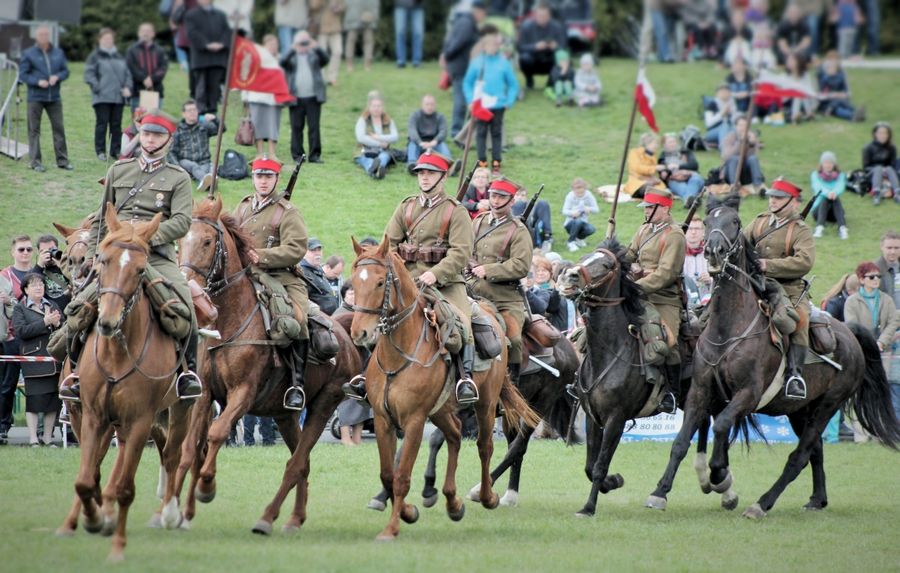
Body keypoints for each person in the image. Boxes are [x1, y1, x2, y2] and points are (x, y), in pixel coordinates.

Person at [65, 111, 203, 403]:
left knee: (186, 306)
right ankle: (75, 373)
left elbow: (181, 222)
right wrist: (93, 255)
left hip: (156, 256)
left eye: (157, 135)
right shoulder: (119, 170)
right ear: (140, 135)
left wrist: (142, 238)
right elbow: (104, 216)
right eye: (146, 134)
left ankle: (187, 375)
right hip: (114, 256)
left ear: (168, 139)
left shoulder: (178, 178)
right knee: (78, 307)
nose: (150, 139)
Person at [344, 151, 477, 404]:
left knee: (460, 324)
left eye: (430, 173)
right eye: (421, 173)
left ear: (443, 176)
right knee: (380, 316)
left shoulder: (455, 211)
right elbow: (388, 245)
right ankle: (365, 375)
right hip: (406, 282)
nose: (424, 178)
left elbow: (461, 253)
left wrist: (434, 274)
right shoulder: (406, 207)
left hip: (446, 283)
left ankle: (464, 379)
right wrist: (400, 272)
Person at [233, 158, 311, 410]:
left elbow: (297, 248)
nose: (263, 181)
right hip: (244, 275)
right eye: (259, 176)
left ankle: (296, 385)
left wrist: (263, 256)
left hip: (281, 276)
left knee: (298, 320)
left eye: (268, 177)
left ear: (276, 179)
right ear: (253, 178)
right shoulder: (243, 208)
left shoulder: (288, 212)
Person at [743, 178, 816, 400]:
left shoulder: (800, 230)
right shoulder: (759, 222)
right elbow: (741, 245)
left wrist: (769, 265)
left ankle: (795, 376)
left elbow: (805, 261)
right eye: (772, 197)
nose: (773, 201)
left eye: (778, 198)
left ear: (792, 202)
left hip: (789, 288)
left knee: (799, 320)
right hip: (755, 284)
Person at [625, 188, 686, 414]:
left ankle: (672, 392)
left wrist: (636, 286)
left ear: (666, 209)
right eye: (646, 207)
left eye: (651, 207)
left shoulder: (674, 235)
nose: (647, 211)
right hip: (635, 292)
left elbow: (666, 273)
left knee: (669, 342)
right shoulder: (644, 229)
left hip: (663, 298)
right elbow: (629, 254)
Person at [468, 176, 532, 386]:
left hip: (504, 297)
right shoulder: (478, 221)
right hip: (470, 290)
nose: (495, 201)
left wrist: (488, 270)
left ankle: (510, 386)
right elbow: (465, 247)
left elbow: (521, 265)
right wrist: (467, 261)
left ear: (511, 201)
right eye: (493, 195)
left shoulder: (519, 230)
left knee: (513, 340)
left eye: (501, 197)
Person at [843, 261, 899, 438]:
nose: (876, 280)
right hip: (861, 352)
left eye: (878, 277)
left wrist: (881, 342)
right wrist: (869, 344)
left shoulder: (886, 299)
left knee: (884, 390)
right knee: (859, 391)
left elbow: (893, 322)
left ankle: (884, 431)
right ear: (861, 279)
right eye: (871, 277)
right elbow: (852, 325)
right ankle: (860, 435)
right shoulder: (852, 301)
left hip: (885, 351)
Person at [11, 273, 62, 447]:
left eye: (40, 284)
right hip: (33, 360)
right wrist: (45, 322)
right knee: (34, 399)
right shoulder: (20, 308)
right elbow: (21, 331)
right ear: (25, 289)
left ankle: (48, 438)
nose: (39, 287)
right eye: (34, 285)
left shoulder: (52, 304)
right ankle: (33, 438)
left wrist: (57, 324)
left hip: (53, 359)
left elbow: (61, 328)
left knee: (52, 400)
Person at [463, 24, 519, 175]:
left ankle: (496, 163)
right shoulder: (477, 62)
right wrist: (470, 100)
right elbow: (467, 82)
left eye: (496, 44)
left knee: (496, 133)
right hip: (481, 104)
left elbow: (513, 84)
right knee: (480, 133)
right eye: (492, 44)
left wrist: (509, 100)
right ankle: (482, 162)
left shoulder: (503, 63)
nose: (495, 47)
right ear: (485, 45)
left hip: (499, 105)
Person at [19, 25, 72, 173]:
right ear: (36, 37)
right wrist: (37, 81)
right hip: (35, 97)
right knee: (34, 130)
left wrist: (58, 77)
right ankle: (35, 162)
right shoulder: (28, 54)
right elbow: (23, 74)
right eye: (40, 35)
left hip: (54, 97)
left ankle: (62, 161)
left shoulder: (58, 53)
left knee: (59, 129)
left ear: (49, 36)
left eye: (46, 34)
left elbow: (65, 71)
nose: (43, 37)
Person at [0, 236, 34, 442]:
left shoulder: (38, 275)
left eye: (29, 249)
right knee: (7, 385)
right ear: (13, 252)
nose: (25, 253)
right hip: (11, 337)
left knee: (37, 385)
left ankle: (40, 430)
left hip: (33, 337)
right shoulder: (4, 275)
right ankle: (3, 425)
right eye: (21, 249)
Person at [84, 28, 133, 162]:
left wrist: (128, 87)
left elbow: (128, 74)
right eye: (105, 38)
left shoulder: (119, 56)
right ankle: (100, 151)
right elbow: (89, 74)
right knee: (102, 123)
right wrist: (98, 86)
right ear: (100, 40)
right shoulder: (94, 56)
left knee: (116, 125)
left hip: (118, 97)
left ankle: (115, 150)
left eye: (110, 38)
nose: (108, 41)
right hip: (102, 97)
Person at [281, 31, 329, 165]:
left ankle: (315, 155)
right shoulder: (291, 57)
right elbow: (282, 62)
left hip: (313, 97)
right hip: (296, 98)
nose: (303, 45)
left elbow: (326, 60)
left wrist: (316, 47)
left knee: (314, 127)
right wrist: (293, 49)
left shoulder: (314, 55)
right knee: (296, 128)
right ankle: (298, 155)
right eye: (301, 42)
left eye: (305, 42)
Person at [442, 0, 487, 137]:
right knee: (461, 101)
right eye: (484, 13)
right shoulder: (467, 23)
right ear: (478, 11)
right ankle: (456, 131)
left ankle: (466, 132)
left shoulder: (468, 22)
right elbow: (457, 43)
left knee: (467, 100)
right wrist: (447, 56)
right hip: (459, 67)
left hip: (465, 67)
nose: (484, 17)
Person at [243, 34, 286, 162]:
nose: (273, 47)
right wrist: (245, 96)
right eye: (271, 44)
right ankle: (260, 153)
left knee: (273, 125)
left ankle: (272, 153)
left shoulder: (280, 59)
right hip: (257, 98)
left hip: (274, 99)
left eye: (275, 45)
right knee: (257, 125)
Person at [184, 0, 231, 115]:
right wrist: (206, 44)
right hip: (201, 58)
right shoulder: (191, 15)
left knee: (214, 89)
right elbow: (192, 33)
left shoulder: (221, 15)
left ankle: (212, 115)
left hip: (218, 59)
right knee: (201, 89)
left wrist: (222, 44)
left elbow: (227, 32)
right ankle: (200, 114)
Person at [168, 99, 220, 190]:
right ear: (184, 114)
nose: (192, 112)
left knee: (207, 168)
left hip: (204, 161)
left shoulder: (204, 126)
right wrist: (178, 168)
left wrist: (215, 119)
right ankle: (208, 181)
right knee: (194, 166)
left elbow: (221, 129)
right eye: (189, 110)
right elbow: (171, 152)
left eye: (194, 110)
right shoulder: (178, 130)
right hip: (186, 162)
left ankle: (206, 181)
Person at [516, 4, 566, 90]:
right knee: (524, 58)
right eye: (540, 16)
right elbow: (519, 47)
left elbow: (564, 46)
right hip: (533, 59)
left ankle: (551, 82)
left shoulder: (557, 27)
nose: (542, 18)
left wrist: (555, 46)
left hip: (550, 59)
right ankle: (529, 80)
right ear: (535, 15)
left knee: (561, 57)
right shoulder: (526, 26)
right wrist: (535, 46)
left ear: (549, 16)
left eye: (545, 16)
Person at [125, 22, 168, 112]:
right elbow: (131, 67)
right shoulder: (132, 50)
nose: (145, 33)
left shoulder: (160, 50)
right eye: (143, 31)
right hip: (137, 92)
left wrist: (152, 79)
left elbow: (163, 68)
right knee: (138, 123)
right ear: (138, 33)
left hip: (156, 92)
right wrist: (143, 78)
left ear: (153, 33)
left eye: (148, 31)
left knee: (154, 122)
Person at [354, 94, 398, 179]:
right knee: (367, 160)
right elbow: (361, 138)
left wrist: (378, 137)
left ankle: (374, 169)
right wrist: (379, 144)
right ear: (369, 107)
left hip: (383, 151)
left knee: (384, 156)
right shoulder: (362, 120)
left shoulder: (388, 120)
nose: (376, 108)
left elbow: (395, 137)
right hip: (364, 151)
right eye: (374, 106)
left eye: (379, 106)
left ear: (382, 107)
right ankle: (377, 169)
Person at [406, 94, 453, 173]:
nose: (429, 107)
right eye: (427, 104)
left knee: (442, 145)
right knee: (412, 144)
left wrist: (434, 142)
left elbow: (443, 131)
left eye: (432, 104)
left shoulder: (440, 117)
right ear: (422, 105)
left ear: (435, 105)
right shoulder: (415, 115)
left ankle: (449, 165)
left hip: (435, 143)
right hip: (419, 142)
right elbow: (412, 130)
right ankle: (412, 164)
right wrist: (420, 142)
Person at [810, 151, 849, 240]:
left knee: (835, 198)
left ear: (834, 164)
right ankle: (819, 227)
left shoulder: (841, 175)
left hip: (833, 214)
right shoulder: (815, 175)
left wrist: (834, 193)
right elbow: (817, 187)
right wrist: (828, 193)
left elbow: (841, 186)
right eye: (826, 162)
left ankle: (842, 228)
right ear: (822, 164)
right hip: (818, 211)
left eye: (830, 162)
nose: (828, 165)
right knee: (826, 198)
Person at [817, 52, 865, 122]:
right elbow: (822, 94)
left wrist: (843, 94)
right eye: (829, 67)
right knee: (838, 109)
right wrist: (834, 94)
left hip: (840, 100)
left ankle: (857, 113)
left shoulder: (840, 77)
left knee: (846, 105)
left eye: (833, 67)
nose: (831, 69)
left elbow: (846, 91)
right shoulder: (824, 79)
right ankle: (852, 116)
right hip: (828, 103)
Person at [658, 133, 705, 205]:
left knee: (695, 180)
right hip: (675, 180)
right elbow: (663, 175)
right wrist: (667, 170)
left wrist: (678, 166)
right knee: (682, 187)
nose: (672, 144)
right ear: (664, 145)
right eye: (670, 142)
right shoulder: (663, 157)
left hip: (692, 176)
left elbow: (694, 165)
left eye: (674, 141)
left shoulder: (685, 152)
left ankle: (689, 201)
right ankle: (692, 201)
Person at [721, 116, 765, 191]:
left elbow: (754, 158)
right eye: (741, 125)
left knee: (753, 158)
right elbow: (727, 156)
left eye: (745, 125)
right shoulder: (729, 137)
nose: (743, 128)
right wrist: (740, 142)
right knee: (735, 158)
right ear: (735, 126)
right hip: (731, 172)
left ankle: (758, 186)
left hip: (746, 173)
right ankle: (734, 185)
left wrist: (752, 144)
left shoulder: (751, 137)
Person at [31, 234, 71, 312]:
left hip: (69, 312)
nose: (48, 254)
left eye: (51, 250)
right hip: (50, 316)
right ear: (38, 253)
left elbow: (77, 282)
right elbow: (30, 289)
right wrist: (39, 265)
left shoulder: (67, 266)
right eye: (44, 251)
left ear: (58, 249)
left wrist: (62, 266)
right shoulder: (36, 271)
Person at [300, 238, 339, 316]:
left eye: (319, 250)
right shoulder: (302, 273)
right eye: (313, 250)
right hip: (317, 321)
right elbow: (303, 300)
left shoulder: (318, 271)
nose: (317, 253)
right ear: (304, 252)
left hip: (331, 318)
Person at [862, 122, 898, 206]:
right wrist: (880, 170)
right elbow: (865, 167)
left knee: (888, 168)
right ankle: (876, 194)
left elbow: (893, 166)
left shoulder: (892, 148)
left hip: (888, 173)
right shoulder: (868, 147)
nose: (883, 135)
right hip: (872, 173)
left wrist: (885, 173)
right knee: (878, 168)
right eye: (880, 133)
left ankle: (897, 193)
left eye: (885, 133)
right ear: (875, 134)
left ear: (889, 135)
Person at [312, 0, 345, 86]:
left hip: (335, 27)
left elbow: (344, 7)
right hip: (321, 28)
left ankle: (332, 78)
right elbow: (313, 6)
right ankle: (321, 78)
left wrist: (339, 8)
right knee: (320, 54)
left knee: (338, 51)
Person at [561, 177, 599, 252]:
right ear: (573, 190)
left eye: (582, 193)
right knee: (577, 221)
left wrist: (589, 209)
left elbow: (596, 209)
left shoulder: (589, 195)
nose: (579, 195)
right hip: (570, 223)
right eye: (577, 193)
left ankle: (579, 239)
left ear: (585, 189)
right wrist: (572, 213)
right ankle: (571, 242)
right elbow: (564, 211)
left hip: (583, 222)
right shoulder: (570, 196)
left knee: (591, 229)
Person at [511, 186, 553, 251]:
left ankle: (547, 238)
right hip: (517, 235)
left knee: (543, 203)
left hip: (533, 233)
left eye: (523, 195)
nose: (520, 197)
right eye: (517, 195)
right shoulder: (508, 209)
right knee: (519, 204)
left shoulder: (531, 207)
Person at [624, 132, 665, 197]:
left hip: (649, 179)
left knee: (660, 187)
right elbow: (637, 168)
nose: (656, 146)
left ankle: (655, 194)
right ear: (647, 143)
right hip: (637, 180)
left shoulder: (653, 155)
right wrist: (655, 168)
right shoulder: (634, 152)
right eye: (654, 143)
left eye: (656, 144)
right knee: (646, 187)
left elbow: (652, 173)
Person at [683, 217, 712, 308]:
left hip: (707, 297)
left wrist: (710, 279)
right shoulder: (678, 252)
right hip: (685, 298)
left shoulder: (710, 252)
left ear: (703, 232)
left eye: (697, 229)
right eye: (690, 229)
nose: (693, 232)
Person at [344, 0, 379, 72]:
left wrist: (373, 15)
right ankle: (349, 64)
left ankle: (367, 65)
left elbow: (375, 3)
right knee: (351, 40)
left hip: (368, 17)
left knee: (368, 41)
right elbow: (347, 3)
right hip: (353, 16)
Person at [703, 83, 738, 150]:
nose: (724, 93)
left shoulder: (733, 104)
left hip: (729, 131)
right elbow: (708, 124)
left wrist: (732, 114)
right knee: (724, 126)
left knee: (739, 128)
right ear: (717, 93)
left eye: (726, 91)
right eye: (721, 91)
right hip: (713, 132)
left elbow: (735, 122)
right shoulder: (712, 104)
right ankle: (724, 149)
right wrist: (721, 114)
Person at [394, 0, 424, 68]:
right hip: (401, 4)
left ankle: (417, 61)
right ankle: (400, 61)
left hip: (417, 5)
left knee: (418, 33)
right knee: (400, 33)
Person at [875, 230, 900, 308]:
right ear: (881, 247)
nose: (893, 252)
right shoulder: (873, 270)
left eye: (896, 248)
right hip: (886, 317)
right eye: (889, 248)